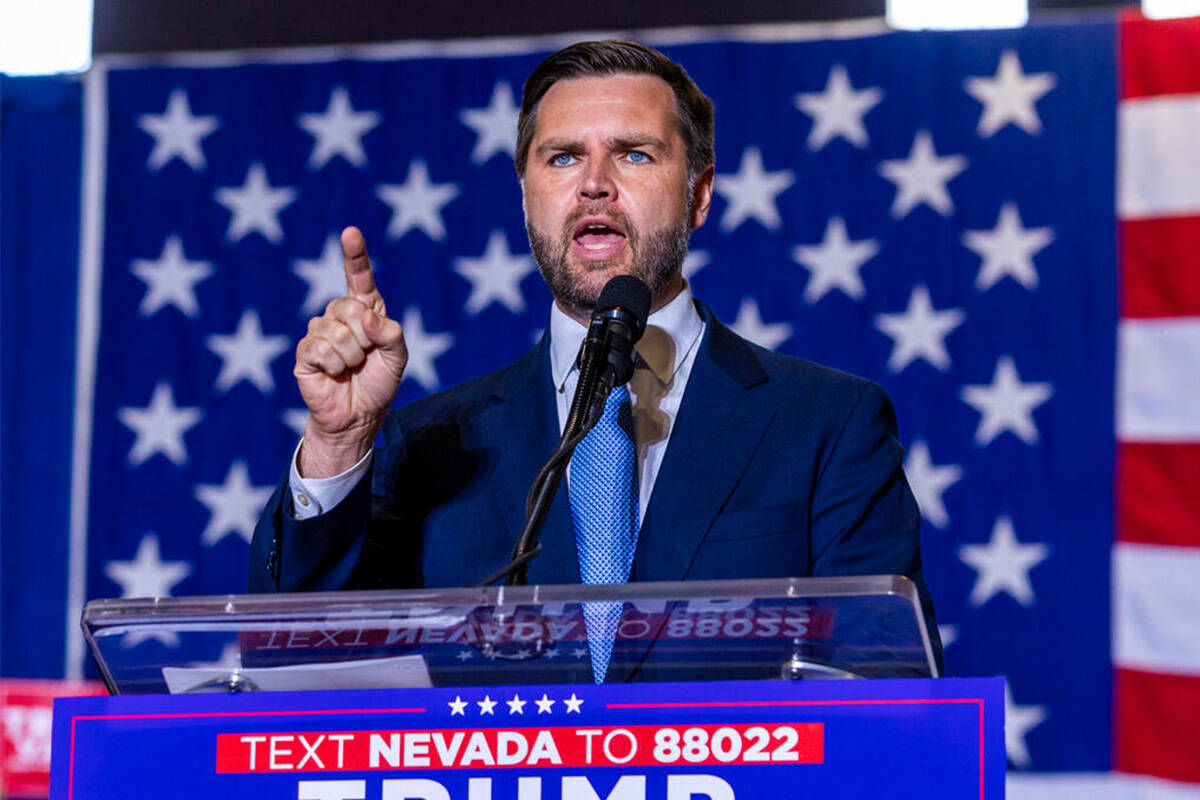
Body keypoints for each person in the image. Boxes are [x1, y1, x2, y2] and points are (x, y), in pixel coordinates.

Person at [249, 40, 939, 667]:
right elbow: (302, 662)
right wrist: (336, 445)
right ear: (526, 197)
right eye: (563, 157)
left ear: (698, 194)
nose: (594, 184)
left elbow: (881, 683)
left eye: (635, 153)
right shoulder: (427, 444)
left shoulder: (826, 424)